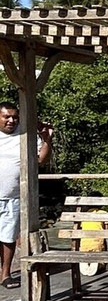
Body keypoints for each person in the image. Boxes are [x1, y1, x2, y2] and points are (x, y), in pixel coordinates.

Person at [0, 102, 52, 289]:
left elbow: (41, 159)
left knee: (8, 237)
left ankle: (5, 275)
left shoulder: (25, 134)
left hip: (13, 196)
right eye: (7, 117)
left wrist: (46, 139)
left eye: (15, 117)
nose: (11, 120)